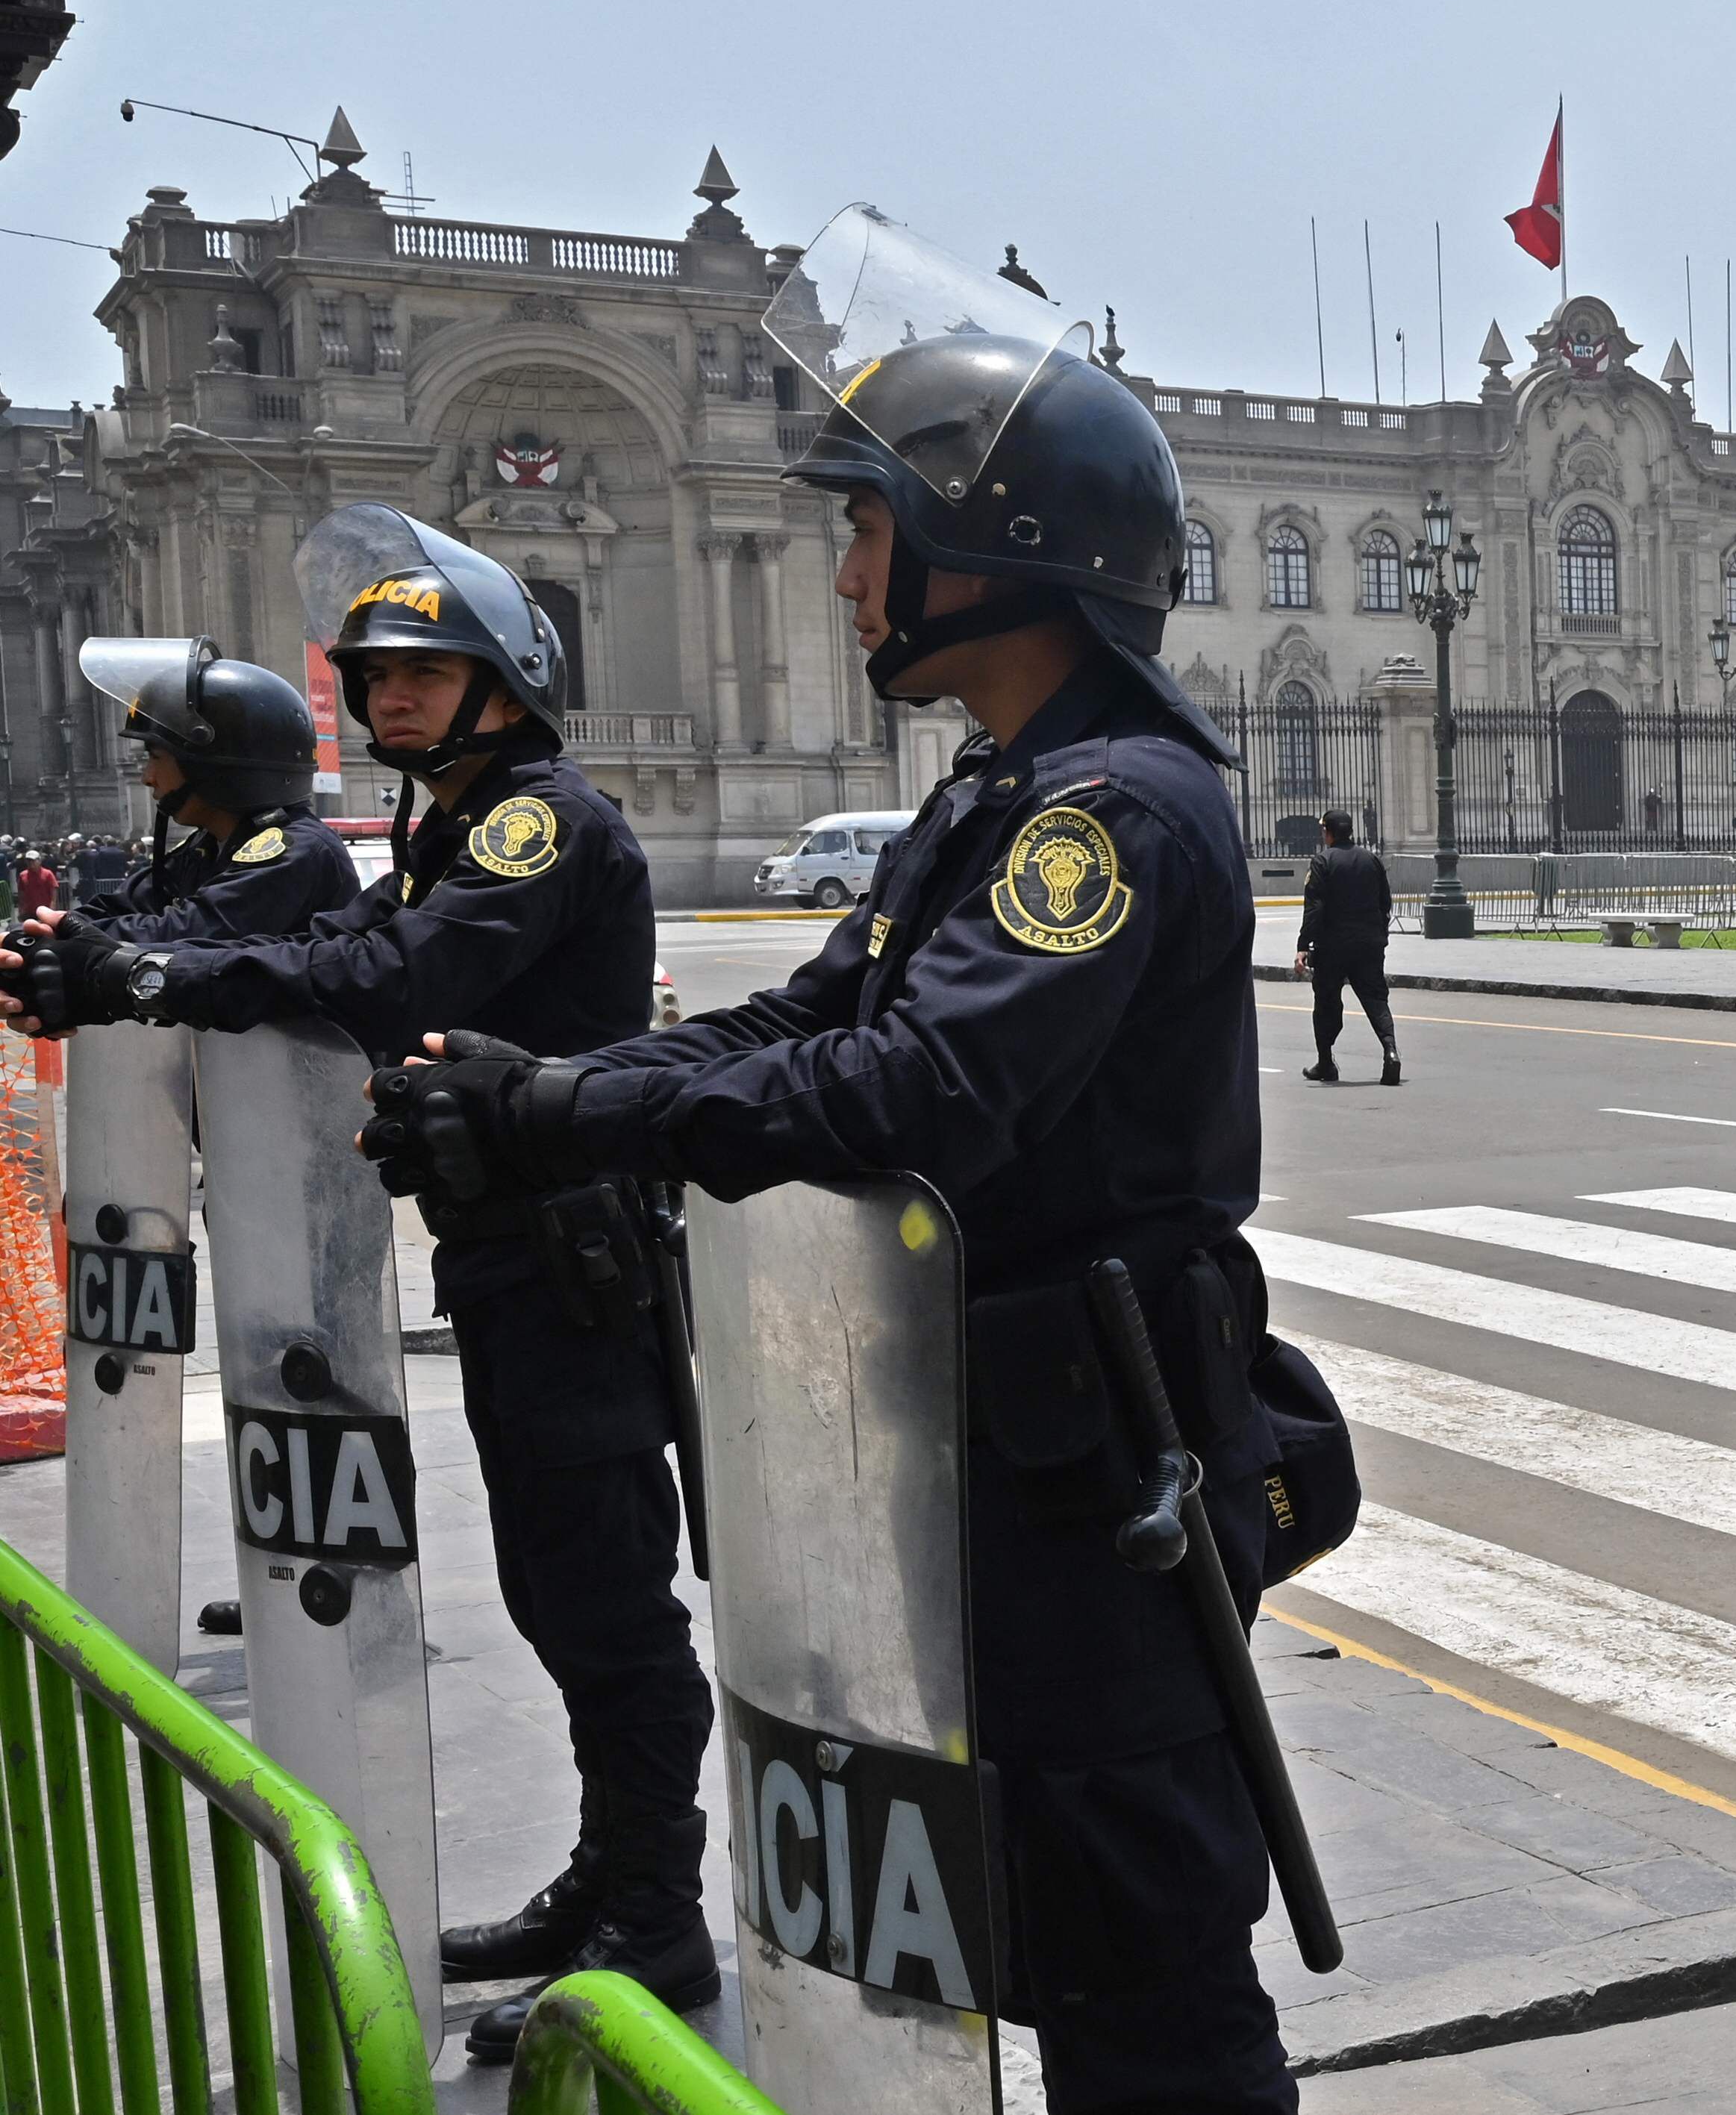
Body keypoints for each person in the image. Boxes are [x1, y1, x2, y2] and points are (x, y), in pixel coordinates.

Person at [344, 222, 1350, 2113]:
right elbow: (791, 1021)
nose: (847, 561)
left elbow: (915, 1085)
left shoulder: (1109, 812)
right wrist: (551, 1080)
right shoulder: (986, 796)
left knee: (1144, 1972)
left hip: (1099, 1470)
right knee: (1005, 1922)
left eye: (874, 523)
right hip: (984, 1460)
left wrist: (570, 1114)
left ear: (1003, 546)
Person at [0, 507, 697, 2061]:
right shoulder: (455, 826)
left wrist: (161, 973)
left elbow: (393, 979)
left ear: (506, 682)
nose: (389, 694)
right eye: (374, 673)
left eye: (427, 671)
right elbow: (332, 945)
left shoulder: (538, 822)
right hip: (515, 1249)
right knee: (559, 1593)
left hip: (577, 1260)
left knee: (608, 1602)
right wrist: (129, 956)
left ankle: (659, 1913)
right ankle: (615, 1875)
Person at [69, 637, 356, 941]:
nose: (147, 777)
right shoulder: (207, 845)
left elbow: (187, 933)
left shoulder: (296, 852)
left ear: (213, 768)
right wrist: (51, 928)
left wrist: (70, 936)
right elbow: (128, 903)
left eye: (155, 757)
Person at [1294, 805, 1397, 1085]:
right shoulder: (1371, 860)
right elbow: (1385, 902)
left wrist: (1303, 946)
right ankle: (1391, 1051)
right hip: (1369, 944)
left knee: (1326, 1002)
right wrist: (1380, 936)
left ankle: (1326, 1062)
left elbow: (1314, 908)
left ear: (1328, 833)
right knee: (1376, 999)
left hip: (1332, 947)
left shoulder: (1322, 862)